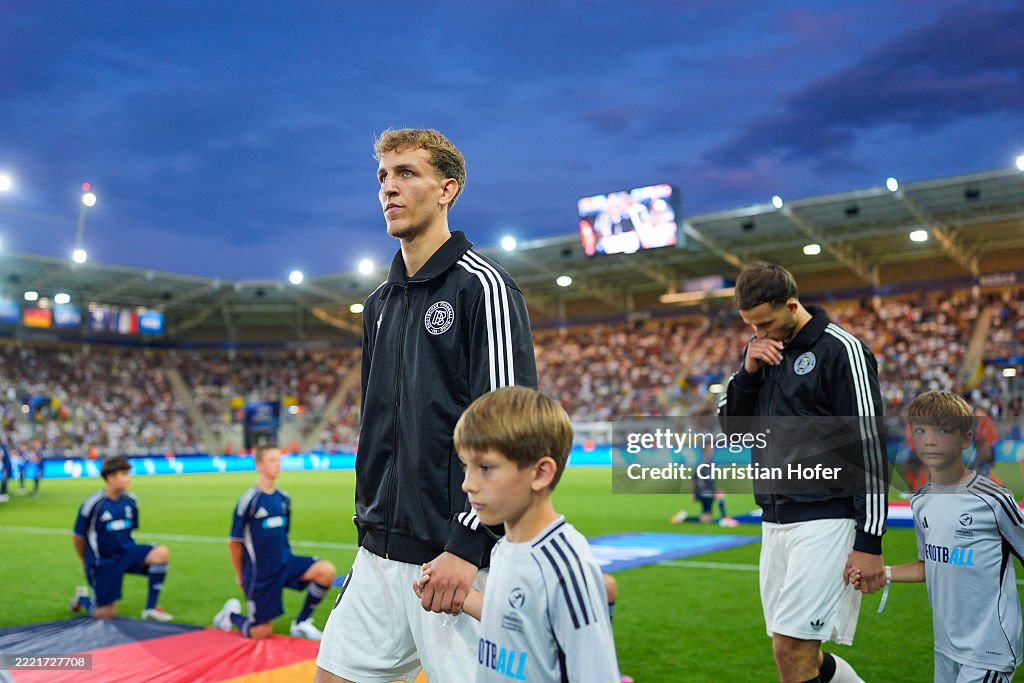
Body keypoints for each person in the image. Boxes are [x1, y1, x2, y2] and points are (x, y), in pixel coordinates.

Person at [315, 128, 537, 683]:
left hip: (460, 559)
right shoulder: (378, 305)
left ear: (447, 190)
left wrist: (467, 544)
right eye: (383, 177)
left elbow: (512, 429)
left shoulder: (483, 288)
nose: (389, 188)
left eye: (406, 173)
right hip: (380, 553)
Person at [719, 261, 887, 683]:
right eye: (750, 326)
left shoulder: (840, 350)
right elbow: (732, 431)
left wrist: (869, 541)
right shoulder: (761, 352)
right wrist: (748, 373)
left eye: (766, 323)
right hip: (775, 520)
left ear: (792, 305)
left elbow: (867, 445)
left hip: (826, 518)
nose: (760, 334)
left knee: (791, 648)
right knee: (795, 647)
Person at [414, 386, 620, 682]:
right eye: (465, 467)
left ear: (540, 473)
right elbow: (514, 624)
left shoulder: (565, 567)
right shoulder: (504, 547)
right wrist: (461, 597)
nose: (467, 484)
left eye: (485, 467)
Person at [853, 391, 1023, 682]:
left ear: (965, 439)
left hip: (988, 650)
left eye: (943, 430)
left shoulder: (993, 500)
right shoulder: (920, 501)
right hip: (946, 647)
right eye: (920, 430)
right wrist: (884, 573)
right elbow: (929, 563)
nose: (929, 440)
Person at [213, 444, 336, 640]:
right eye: (272, 460)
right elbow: (234, 542)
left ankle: (301, 623)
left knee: (325, 571)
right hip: (260, 574)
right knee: (261, 632)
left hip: (285, 563)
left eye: (279, 460)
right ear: (259, 464)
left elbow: (283, 535)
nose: (277, 465)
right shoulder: (249, 500)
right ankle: (230, 616)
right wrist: (240, 576)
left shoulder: (284, 499)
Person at [70, 456, 172, 621]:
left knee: (161, 553)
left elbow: (130, 530)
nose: (129, 478)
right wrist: (85, 561)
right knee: (105, 614)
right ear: (110, 478)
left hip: (127, 552)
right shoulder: (94, 503)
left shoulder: (131, 500)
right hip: (104, 561)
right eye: (124, 474)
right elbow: (78, 536)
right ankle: (83, 598)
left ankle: (150, 609)